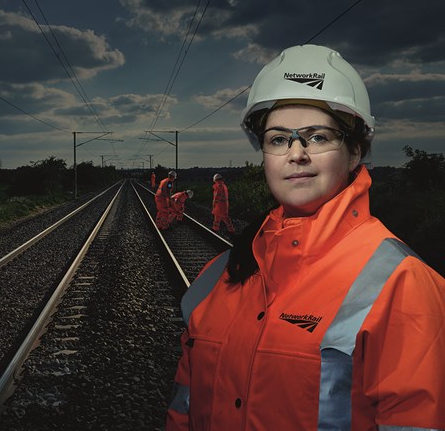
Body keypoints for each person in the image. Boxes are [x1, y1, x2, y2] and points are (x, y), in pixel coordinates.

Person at [166, 44, 445, 431]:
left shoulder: (401, 284)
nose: (296, 153)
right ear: (263, 155)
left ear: (354, 152)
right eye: (278, 139)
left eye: (317, 137)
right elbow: (184, 408)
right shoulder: (218, 277)